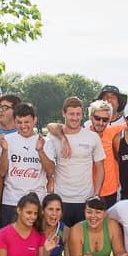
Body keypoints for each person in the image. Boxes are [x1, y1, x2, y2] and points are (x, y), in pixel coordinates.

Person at [42, 97, 105, 226]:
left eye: (78, 114)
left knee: (81, 237)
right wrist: (63, 138)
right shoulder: (53, 137)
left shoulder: (92, 137)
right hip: (60, 199)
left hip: (85, 199)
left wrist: (96, 195)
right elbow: (48, 167)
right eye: (71, 114)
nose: (75, 118)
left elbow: (100, 167)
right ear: (64, 114)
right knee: (61, 236)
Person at [0, 103, 51, 226]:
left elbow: (50, 171)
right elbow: (1, 171)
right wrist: (5, 151)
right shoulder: (7, 140)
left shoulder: (45, 142)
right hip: (11, 201)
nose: (23, 126)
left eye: (27, 122)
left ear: (35, 120)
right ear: (14, 122)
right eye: (19, 122)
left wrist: (40, 151)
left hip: (36, 201)